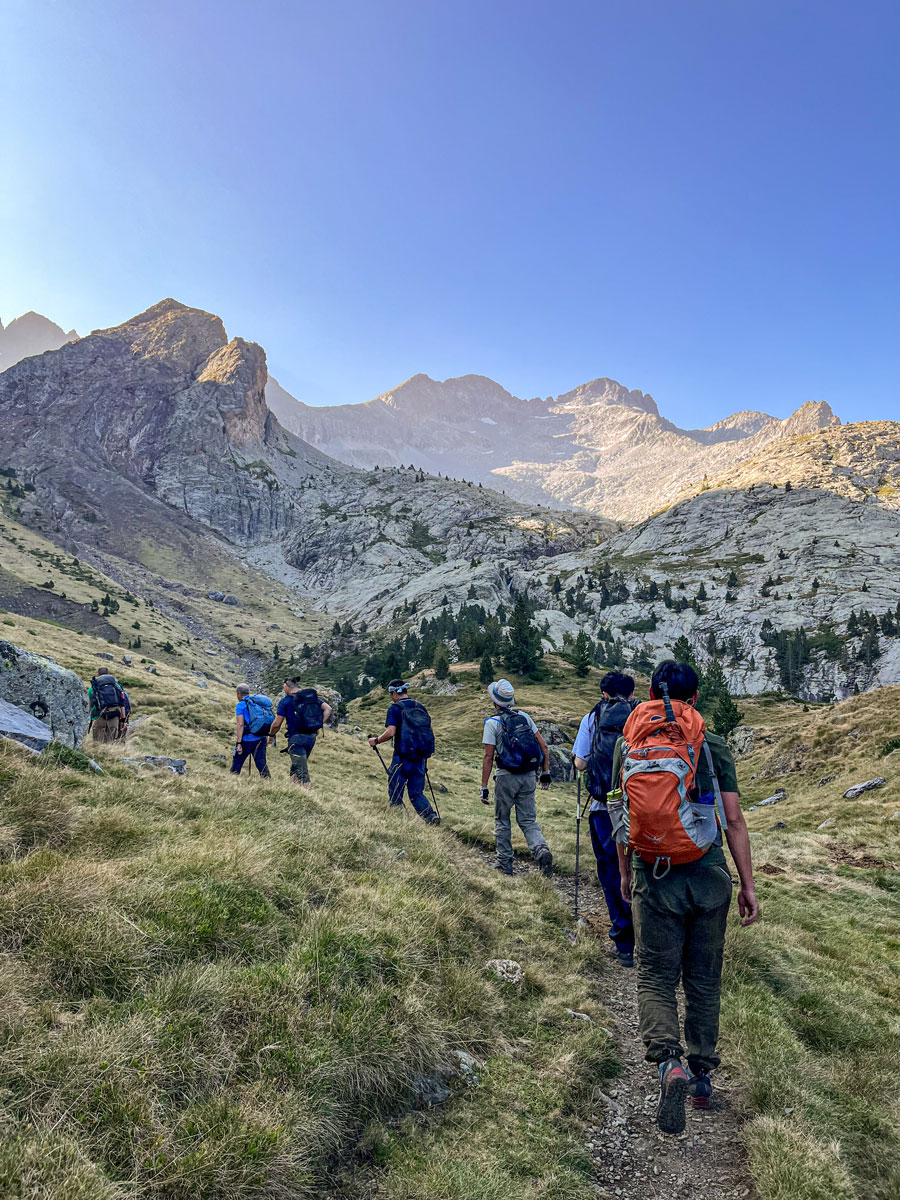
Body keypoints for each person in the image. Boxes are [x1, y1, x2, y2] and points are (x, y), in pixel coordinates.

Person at [613, 660, 759, 1135]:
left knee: (655, 975)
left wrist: (624, 873)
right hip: (708, 873)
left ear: (650, 694)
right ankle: (700, 1077)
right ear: (694, 698)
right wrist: (747, 885)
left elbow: (623, 816)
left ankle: (667, 1063)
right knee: (703, 978)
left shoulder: (629, 742)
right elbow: (733, 819)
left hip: (653, 873)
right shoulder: (711, 743)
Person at [573, 671, 638, 967]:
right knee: (641, 871)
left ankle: (624, 943)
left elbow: (580, 763)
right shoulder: (642, 716)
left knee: (612, 872)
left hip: (604, 807)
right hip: (642, 808)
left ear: (604, 693)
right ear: (632, 693)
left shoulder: (593, 717)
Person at [480, 678, 553, 877]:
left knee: (502, 820)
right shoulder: (524, 717)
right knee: (528, 820)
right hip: (528, 776)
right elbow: (543, 746)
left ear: (495, 701)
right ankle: (541, 850)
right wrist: (545, 772)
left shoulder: (492, 723)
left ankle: (504, 864)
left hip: (506, 776)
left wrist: (484, 786)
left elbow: (488, 757)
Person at [368, 681, 439, 824]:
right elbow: (429, 731)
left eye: (390, 694)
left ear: (395, 693)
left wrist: (376, 740)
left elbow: (390, 732)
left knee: (395, 790)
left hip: (402, 757)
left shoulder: (395, 709)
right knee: (416, 793)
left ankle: (397, 821)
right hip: (420, 758)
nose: (391, 697)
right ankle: (431, 817)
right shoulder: (420, 707)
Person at [268, 679, 332, 787]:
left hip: (296, 738)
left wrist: (271, 735)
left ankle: (307, 794)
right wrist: (319, 724)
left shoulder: (286, 701)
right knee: (296, 766)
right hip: (311, 737)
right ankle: (293, 790)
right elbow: (328, 709)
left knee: (302, 772)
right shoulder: (309, 698)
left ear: (287, 687)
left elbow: (276, 724)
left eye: (284, 687)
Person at [231, 684, 271, 778]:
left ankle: (232, 781)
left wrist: (239, 743)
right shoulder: (257, 702)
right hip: (261, 738)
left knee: (237, 763)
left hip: (247, 740)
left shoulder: (240, 705)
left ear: (238, 694)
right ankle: (267, 781)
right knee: (261, 763)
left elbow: (240, 724)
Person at [88, 671, 126, 743]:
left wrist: (87, 720)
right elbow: (122, 705)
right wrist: (123, 721)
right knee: (110, 742)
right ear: (108, 674)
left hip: (99, 717)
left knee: (97, 743)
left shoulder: (93, 688)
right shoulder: (116, 686)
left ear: (98, 675)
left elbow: (89, 706)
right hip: (114, 718)